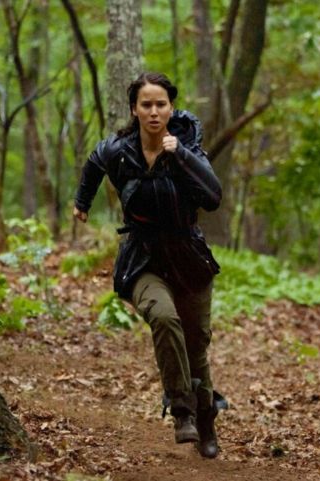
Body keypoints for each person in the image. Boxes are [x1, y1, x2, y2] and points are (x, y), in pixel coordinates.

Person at [73, 72, 223, 458]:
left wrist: (181, 155)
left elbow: (213, 197)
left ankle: (206, 421)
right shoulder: (119, 150)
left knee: (196, 347)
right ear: (134, 110)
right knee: (164, 318)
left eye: (160, 104)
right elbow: (93, 163)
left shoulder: (189, 148)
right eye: (146, 105)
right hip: (143, 258)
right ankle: (182, 411)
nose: (154, 111)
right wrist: (82, 202)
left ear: (171, 109)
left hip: (188, 258)